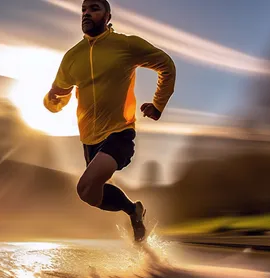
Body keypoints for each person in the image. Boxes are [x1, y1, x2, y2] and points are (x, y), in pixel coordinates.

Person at [44, 0, 176, 242]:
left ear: (107, 16)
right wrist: (52, 101)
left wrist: (158, 105)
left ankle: (133, 211)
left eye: (93, 9)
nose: (86, 14)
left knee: (87, 182)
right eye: (83, 10)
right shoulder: (72, 57)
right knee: (87, 193)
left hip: (119, 132)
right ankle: (132, 210)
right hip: (88, 140)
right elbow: (57, 97)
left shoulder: (125, 45)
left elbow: (166, 66)